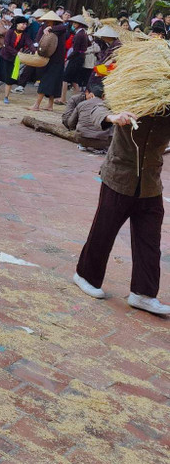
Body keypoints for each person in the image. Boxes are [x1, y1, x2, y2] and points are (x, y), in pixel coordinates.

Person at [73, 107, 170, 316]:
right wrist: (113, 117)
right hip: (119, 178)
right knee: (104, 231)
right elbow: (95, 106)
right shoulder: (131, 92)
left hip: (150, 183)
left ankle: (143, 294)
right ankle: (85, 276)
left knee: (150, 240)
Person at [0, 15, 33, 103]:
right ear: (17, 24)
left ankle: (6, 97)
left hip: (13, 59)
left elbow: (30, 44)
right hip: (3, 56)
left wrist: (36, 51)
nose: (24, 25)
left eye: (25, 24)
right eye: (22, 23)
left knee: (9, 79)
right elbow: (7, 45)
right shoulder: (10, 32)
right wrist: (17, 53)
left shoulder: (25, 35)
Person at [30, 11, 68, 111]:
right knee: (47, 81)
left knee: (51, 82)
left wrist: (51, 28)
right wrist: (36, 50)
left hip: (57, 59)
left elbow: (64, 27)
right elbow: (38, 40)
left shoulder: (60, 27)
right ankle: (48, 105)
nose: (48, 22)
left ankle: (38, 105)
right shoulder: (43, 27)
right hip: (46, 58)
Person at [62, 80, 112, 152]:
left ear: (91, 95)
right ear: (103, 96)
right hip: (103, 141)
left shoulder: (82, 104)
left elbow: (70, 123)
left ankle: (85, 144)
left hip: (82, 139)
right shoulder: (109, 106)